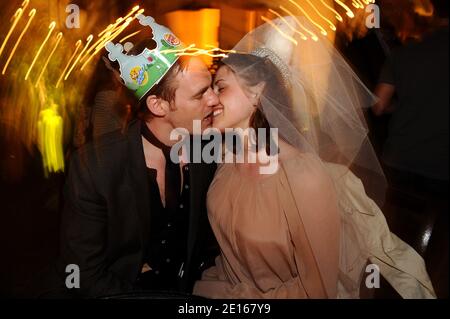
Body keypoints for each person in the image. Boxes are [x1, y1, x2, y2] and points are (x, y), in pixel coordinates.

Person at [193, 17, 436, 299]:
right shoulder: (225, 160)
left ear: (257, 93)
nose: (209, 98)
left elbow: (317, 290)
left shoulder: (303, 178)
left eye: (220, 87)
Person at [42, 15, 220, 298]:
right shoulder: (96, 168)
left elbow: (212, 246)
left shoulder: (210, 150)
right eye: (201, 95)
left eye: (213, 86)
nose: (214, 100)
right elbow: (83, 273)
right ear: (159, 105)